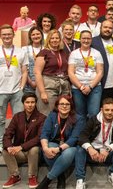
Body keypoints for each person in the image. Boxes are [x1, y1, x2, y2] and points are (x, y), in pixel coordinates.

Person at [75, 98, 113, 188]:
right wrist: (90, 148)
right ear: (101, 110)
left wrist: (108, 149)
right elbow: (82, 136)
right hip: (93, 152)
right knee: (80, 149)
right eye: (107, 110)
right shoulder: (93, 120)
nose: (110, 112)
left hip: (109, 152)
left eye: (112, 110)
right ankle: (80, 180)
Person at [37, 95, 85, 189]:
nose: (64, 106)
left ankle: (47, 180)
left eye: (67, 104)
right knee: (48, 148)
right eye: (62, 104)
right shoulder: (52, 116)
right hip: (54, 143)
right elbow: (44, 133)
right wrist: (45, 148)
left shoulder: (79, 118)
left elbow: (74, 138)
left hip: (70, 146)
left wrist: (59, 149)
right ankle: (61, 176)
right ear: (57, 106)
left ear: (71, 106)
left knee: (68, 153)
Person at [2, 93, 45, 189]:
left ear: (36, 103)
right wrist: (9, 146)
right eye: (27, 102)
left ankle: (32, 176)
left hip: (35, 154)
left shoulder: (42, 118)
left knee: (34, 149)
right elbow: (8, 134)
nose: (30, 105)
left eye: (32, 102)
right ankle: (15, 175)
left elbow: (39, 137)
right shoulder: (17, 116)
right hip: (20, 153)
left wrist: (21, 147)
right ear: (23, 104)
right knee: (5, 150)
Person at [0, 24, 28, 153]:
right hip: (1, 91)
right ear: (1, 36)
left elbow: (24, 71)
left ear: (13, 35)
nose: (6, 36)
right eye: (4, 34)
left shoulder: (21, 51)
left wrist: (21, 87)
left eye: (9, 34)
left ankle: (18, 143)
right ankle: (1, 143)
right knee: (0, 120)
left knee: (19, 120)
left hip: (17, 91)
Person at [68, 30, 104, 118]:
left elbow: (100, 72)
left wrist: (90, 86)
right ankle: (81, 131)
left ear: (91, 40)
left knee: (93, 113)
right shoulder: (74, 53)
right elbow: (70, 72)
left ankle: (91, 132)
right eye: (84, 38)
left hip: (94, 87)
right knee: (80, 114)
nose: (86, 41)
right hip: (77, 88)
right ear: (80, 39)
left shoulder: (97, 53)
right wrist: (81, 86)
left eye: (88, 38)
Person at [34, 29, 70, 116]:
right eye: (52, 38)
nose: (54, 40)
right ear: (48, 40)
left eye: (57, 38)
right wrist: (42, 92)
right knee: (47, 115)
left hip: (63, 85)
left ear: (60, 39)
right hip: (48, 86)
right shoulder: (43, 53)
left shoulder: (63, 53)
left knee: (63, 114)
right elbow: (37, 73)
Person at [91, 20, 113, 102]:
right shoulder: (93, 41)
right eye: (105, 27)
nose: (107, 29)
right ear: (100, 28)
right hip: (99, 83)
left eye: (110, 28)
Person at [22, 27, 44, 93]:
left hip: (43, 84)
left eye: (38, 34)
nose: (36, 36)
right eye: (33, 35)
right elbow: (23, 68)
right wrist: (31, 82)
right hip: (28, 84)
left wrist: (38, 82)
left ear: (41, 35)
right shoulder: (24, 49)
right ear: (30, 37)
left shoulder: (46, 49)